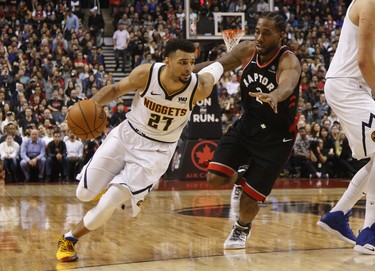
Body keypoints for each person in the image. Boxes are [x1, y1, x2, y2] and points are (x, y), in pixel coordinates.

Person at [55, 38, 224, 262]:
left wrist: (243, 51)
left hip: (156, 152)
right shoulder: (147, 74)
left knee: (110, 202)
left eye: (191, 63)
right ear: (167, 62)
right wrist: (89, 105)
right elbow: (115, 89)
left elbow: (223, 64)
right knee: (83, 194)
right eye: (182, 62)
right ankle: (127, 191)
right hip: (127, 135)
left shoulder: (199, 87)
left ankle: (69, 239)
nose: (188, 68)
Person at [194, 11, 301, 249]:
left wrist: (275, 95)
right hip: (248, 124)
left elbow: (288, 83)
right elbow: (218, 65)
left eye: (267, 33)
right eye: (258, 32)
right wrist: (187, 71)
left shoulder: (288, 60)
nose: (260, 37)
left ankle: (241, 229)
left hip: (278, 136)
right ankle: (239, 176)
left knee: (250, 199)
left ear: (281, 36)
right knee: (214, 178)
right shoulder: (247, 50)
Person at [317, 0, 375, 255]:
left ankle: (337, 215)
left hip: (353, 86)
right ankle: (370, 231)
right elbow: (364, 60)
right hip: (348, 86)